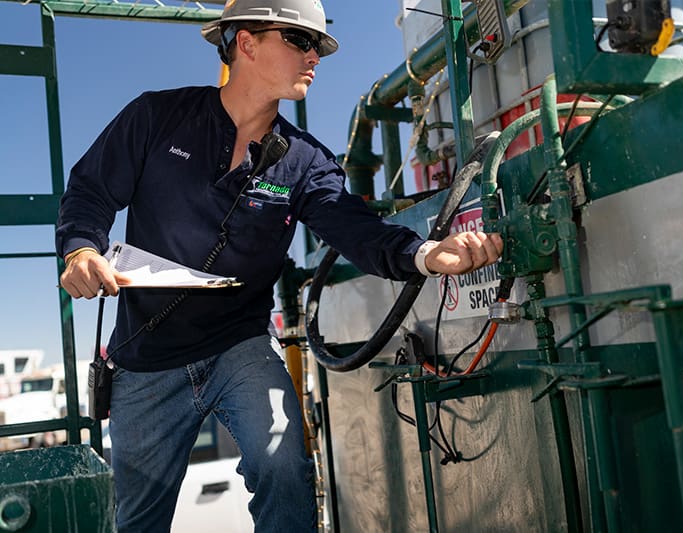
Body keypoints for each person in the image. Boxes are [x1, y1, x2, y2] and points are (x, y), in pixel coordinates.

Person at [56, 0, 503, 531]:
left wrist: (425, 254)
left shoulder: (306, 161)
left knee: (286, 470)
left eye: (318, 47)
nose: (314, 56)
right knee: (137, 522)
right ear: (245, 42)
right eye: (299, 41)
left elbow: (356, 230)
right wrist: (81, 250)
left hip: (239, 345)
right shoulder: (156, 117)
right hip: (146, 357)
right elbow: (89, 192)